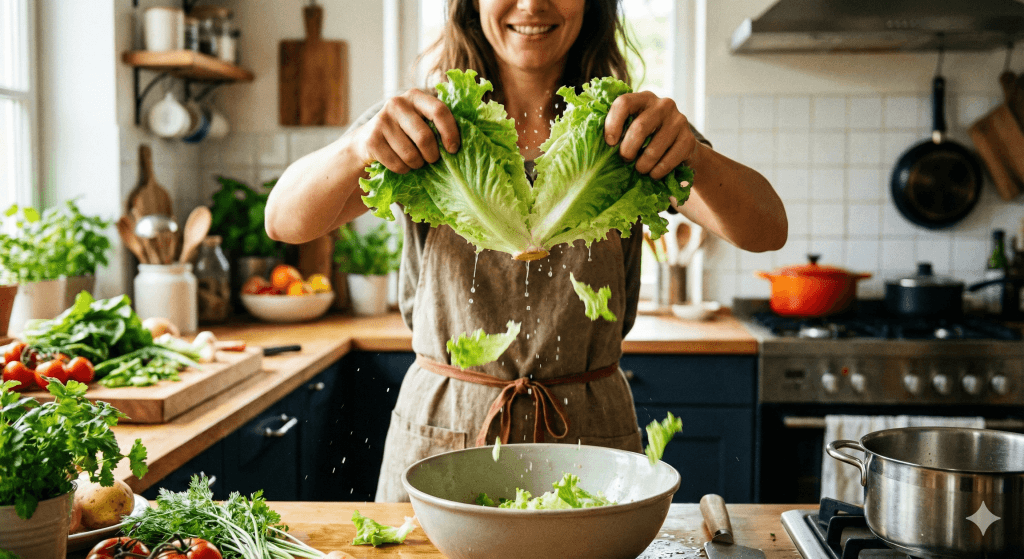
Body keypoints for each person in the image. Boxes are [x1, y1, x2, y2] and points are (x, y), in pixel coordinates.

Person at [266, 0, 787, 502]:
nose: (532, 4)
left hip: (589, 437)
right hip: (444, 428)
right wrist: (358, 147)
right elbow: (284, 220)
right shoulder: (425, 124)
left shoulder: (629, 128)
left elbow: (766, 229)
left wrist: (693, 154)